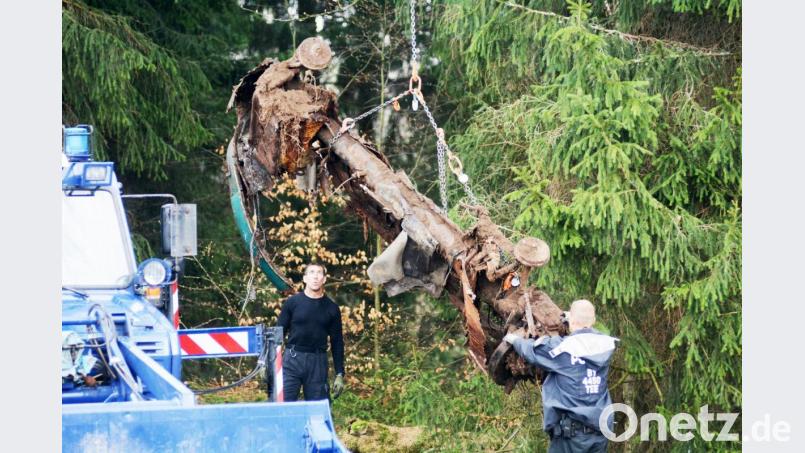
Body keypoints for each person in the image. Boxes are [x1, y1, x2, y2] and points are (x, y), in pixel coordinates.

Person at [504, 299, 617, 453]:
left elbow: (532, 351)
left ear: (572, 320)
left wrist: (513, 339)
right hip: (599, 433)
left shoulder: (562, 348)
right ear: (594, 320)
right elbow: (585, 336)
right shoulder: (605, 345)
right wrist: (574, 318)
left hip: (570, 437)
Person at [277, 263, 345, 401]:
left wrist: (339, 373)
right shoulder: (292, 303)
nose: (315, 276)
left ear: (324, 279)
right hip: (292, 359)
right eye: (311, 272)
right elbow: (278, 334)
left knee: (317, 411)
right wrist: (267, 362)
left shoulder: (332, 308)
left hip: (317, 362)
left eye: (319, 273)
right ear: (305, 278)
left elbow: (337, 342)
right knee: (283, 406)